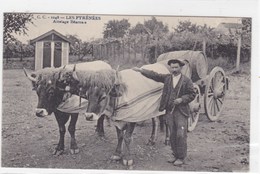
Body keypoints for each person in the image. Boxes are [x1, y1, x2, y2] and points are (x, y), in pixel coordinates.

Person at [133, 59, 196, 166]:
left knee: (181, 134)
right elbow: (154, 75)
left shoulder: (187, 81)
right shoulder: (167, 78)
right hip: (169, 111)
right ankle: (175, 155)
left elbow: (192, 94)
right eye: (172, 67)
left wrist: (181, 99)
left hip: (181, 112)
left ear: (181, 68)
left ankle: (181, 157)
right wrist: (141, 70)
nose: (174, 69)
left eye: (176, 67)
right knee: (172, 134)